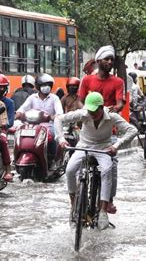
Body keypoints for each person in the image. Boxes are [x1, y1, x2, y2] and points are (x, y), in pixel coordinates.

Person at [55, 92, 137, 229]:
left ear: (101, 107)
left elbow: (132, 130)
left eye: (94, 111)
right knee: (69, 170)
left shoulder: (111, 116)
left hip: (103, 148)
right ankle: (73, 206)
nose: (91, 114)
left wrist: (116, 145)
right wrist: (61, 139)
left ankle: (103, 210)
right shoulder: (84, 113)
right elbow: (58, 119)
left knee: (106, 170)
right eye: (89, 111)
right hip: (84, 146)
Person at [78, 45, 125, 214]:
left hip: (107, 132)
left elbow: (120, 102)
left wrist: (113, 109)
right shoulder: (87, 80)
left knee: (112, 165)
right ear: (98, 61)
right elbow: (80, 101)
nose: (110, 62)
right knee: (77, 162)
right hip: (88, 130)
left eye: (112, 59)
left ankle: (109, 200)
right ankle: (77, 197)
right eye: (106, 59)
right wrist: (86, 113)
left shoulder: (118, 82)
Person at [15, 73, 63, 170]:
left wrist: (52, 117)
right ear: (38, 86)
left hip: (49, 126)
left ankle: (53, 160)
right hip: (33, 126)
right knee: (20, 134)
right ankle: (16, 157)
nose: (47, 87)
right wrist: (19, 114)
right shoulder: (32, 98)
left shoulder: (54, 98)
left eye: (49, 85)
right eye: (44, 85)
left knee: (53, 135)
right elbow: (22, 108)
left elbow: (59, 114)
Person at [0, 74, 15, 182]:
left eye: (3, 87)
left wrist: (1, 124)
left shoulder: (9, 103)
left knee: (2, 140)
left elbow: (10, 121)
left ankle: (8, 168)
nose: (1, 89)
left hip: (1, 129)